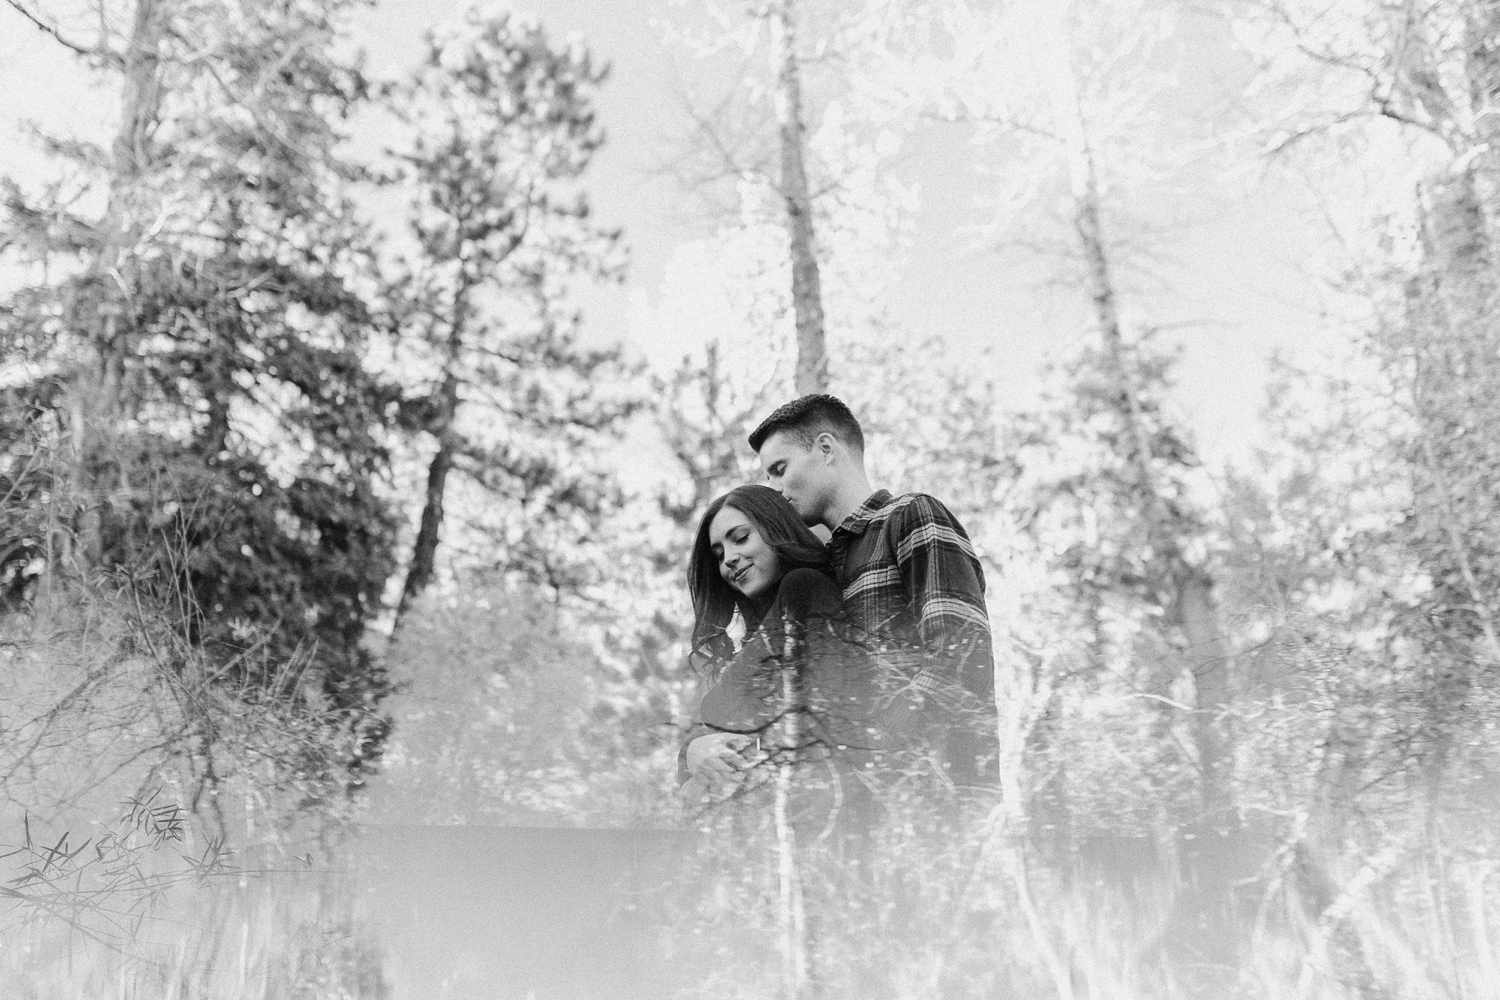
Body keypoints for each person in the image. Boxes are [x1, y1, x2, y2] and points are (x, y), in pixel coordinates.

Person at [749, 394, 997, 788]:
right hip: (852, 820)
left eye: (779, 469)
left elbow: (964, 658)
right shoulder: (818, 573)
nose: (774, 489)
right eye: (768, 478)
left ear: (826, 448)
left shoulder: (910, 516)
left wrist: (868, 741)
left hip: (942, 803)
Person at [679, 485, 879, 831]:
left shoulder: (807, 590)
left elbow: (824, 724)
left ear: (777, 531)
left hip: (830, 818)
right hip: (778, 822)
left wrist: (707, 744)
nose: (728, 558)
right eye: (718, 553)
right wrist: (695, 751)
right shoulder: (756, 643)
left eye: (740, 538)